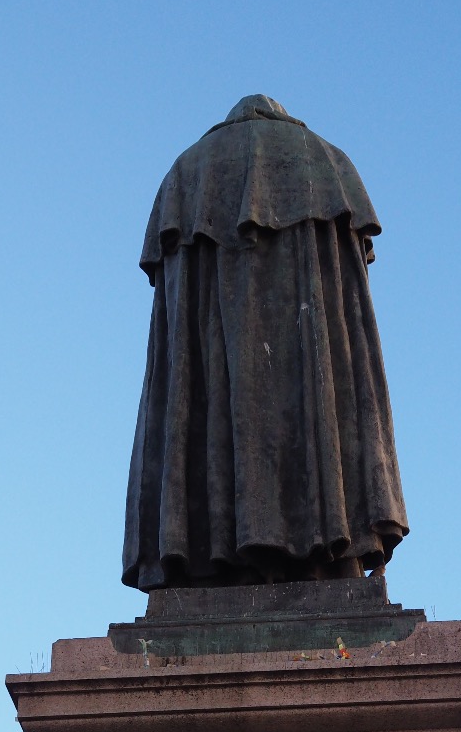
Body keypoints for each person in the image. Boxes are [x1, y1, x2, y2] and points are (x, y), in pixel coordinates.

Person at [123, 95, 409, 591]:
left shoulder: (187, 173)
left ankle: (210, 551)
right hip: (308, 359)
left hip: (218, 360)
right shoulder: (329, 164)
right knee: (316, 396)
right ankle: (326, 543)